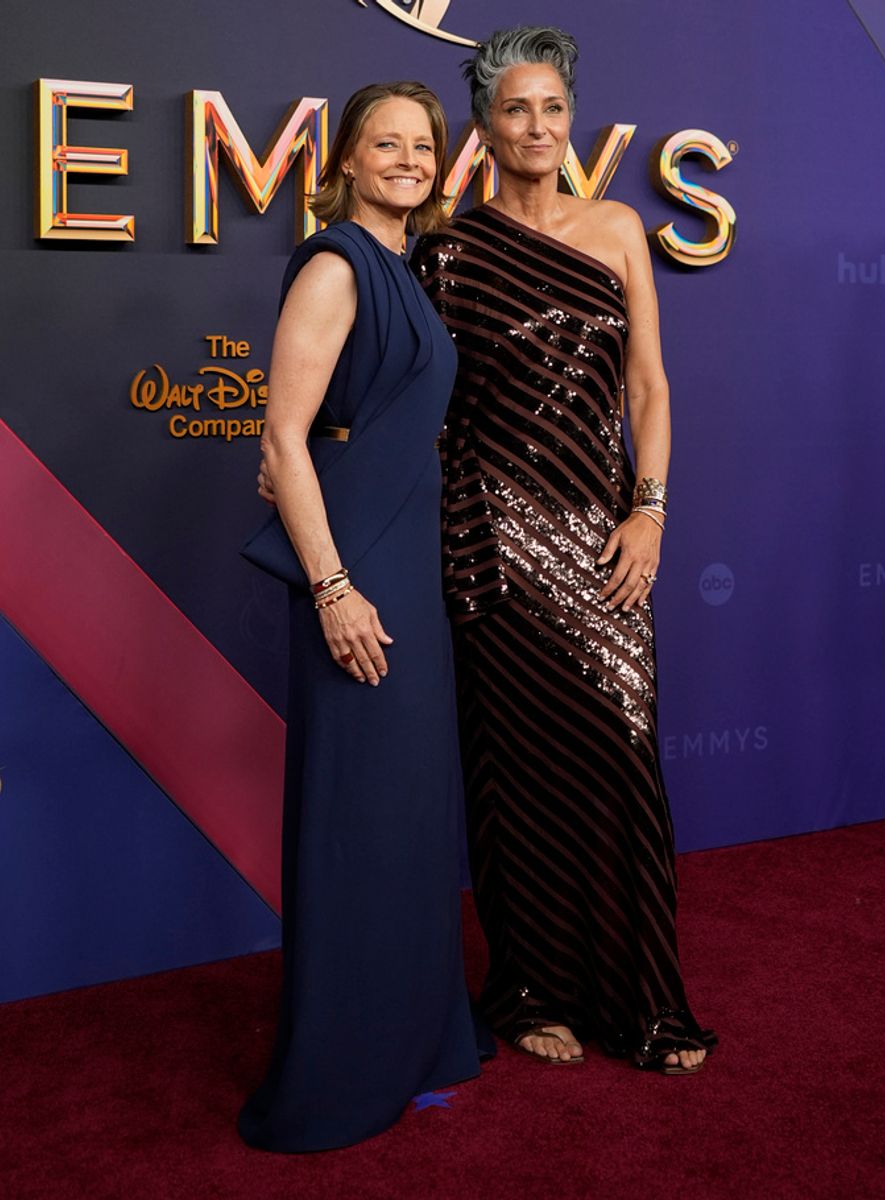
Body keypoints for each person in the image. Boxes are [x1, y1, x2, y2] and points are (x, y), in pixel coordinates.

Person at [409, 26, 716, 1073]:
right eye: (514, 111)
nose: (535, 128)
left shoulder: (621, 227)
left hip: (603, 540)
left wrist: (652, 508)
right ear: (484, 127)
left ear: (568, 116)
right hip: (493, 546)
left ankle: (644, 1000)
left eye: (550, 108)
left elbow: (650, 387)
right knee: (517, 774)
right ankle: (532, 987)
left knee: (622, 758)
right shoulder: (450, 249)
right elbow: (425, 412)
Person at [238, 80, 487, 1154]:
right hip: (357, 570)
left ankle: (418, 1040)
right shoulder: (339, 263)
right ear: (343, 158)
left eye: (422, 144)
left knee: (411, 814)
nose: (407, 158)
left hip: (409, 558)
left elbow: (367, 427)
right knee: (358, 815)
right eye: (385, 143)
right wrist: (332, 586)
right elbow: (284, 435)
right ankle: (339, 1070)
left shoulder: (409, 270)